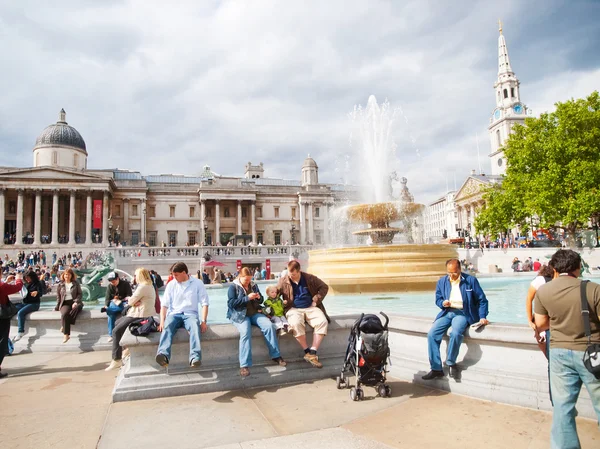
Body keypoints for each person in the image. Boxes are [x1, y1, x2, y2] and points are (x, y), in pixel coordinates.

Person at [534, 249, 600, 448]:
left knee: (563, 408)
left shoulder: (544, 291)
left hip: (559, 353)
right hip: (592, 353)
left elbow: (541, 323)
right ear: (578, 268)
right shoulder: (593, 289)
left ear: (554, 268)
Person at [422, 258, 489, 380]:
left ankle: (450, 362)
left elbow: (482, 300)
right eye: (449, 272)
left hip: (463, 313)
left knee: (456, 333)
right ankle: (436, 368)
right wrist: (443, 303)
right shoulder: (442, 281)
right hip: (447, 312)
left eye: (454, 272)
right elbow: (438, 299)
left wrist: (483, 316)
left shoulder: (470, 281)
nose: (451, 275)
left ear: (459, 269)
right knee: (432, 334)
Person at [227, 267, 286, 377]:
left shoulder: (253, 285)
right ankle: (244, 365)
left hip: (254, 313)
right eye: (246, 280)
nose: (248, 282)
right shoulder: (233, 287)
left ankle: (276, 355)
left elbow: (261, 300)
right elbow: (231, 304)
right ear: (240, 277)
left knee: (269, 326)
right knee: (245, 332)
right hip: (240, 315)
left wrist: (258, 297)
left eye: (250, 279)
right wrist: (246, 298)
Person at [277, 260, 330, 369]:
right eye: (289, 273)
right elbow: (275, 294)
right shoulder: (283, 281)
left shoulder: (309, 278)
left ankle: (313, 352)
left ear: (299, 271)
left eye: (294, 274)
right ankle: (307, 352)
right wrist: (279, 303)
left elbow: (324, 287)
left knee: (322, 321)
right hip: (293, 309)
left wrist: (316, 300)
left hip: (310, 307)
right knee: (295, 324)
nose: (291, 276)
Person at [156, 262, 209, 368]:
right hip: (174, 314)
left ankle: (195, 357)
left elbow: (205, 303)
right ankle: (163, 354)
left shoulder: (198, 283)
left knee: (195, 327)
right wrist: (162, 321)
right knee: (168, 326)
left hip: (191, 314)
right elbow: (164, 305)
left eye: (176, 275)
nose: (174, 277)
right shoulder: (171, 284)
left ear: (184, 272)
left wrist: (203, 321)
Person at [106, 268, 156, 371]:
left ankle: (116, 359)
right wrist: (134, 301)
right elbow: (133, 300)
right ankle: (127, 348)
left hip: (140, 315)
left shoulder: (142, 287)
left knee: (116, 331)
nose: (134, 277)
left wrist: (132, 301)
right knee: (117, 322)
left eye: (136, 275)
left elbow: (130, 301)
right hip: (140, 312)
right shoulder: (149, 285)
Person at [526, 264, 556, 356]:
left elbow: (529, 299)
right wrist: (530, 320)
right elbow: (529, 299)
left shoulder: (541, 280)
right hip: (546, 320)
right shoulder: (540, 280)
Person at [0, 273, 24, 378]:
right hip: (2, 317)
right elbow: (17, 287)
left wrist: (6, 282)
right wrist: (19, 279)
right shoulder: (1, 285)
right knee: (2, 342)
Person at [13, 270, 44, 342]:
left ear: (32, 277)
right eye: (25, 278)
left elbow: (41, 293)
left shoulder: (37, 283)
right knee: (12, 309)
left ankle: (21, 331)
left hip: (34, 304)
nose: (27, 279)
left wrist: (37, 292)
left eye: (28, 278)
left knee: (21, 313)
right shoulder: (25, 284)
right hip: (25, 303)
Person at [54, 268, 83, 343]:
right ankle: (66, 334)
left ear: (71, 275)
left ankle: (65, 329)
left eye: (69, 274)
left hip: (75, 302)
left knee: (77, 308)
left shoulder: (75, 283)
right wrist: (57, 307)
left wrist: (76, 302)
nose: (67, 276)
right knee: (64, 314)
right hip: (65, 303)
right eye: (66, 274)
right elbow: (58, 297)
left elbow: (80, 294)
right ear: (63, 275)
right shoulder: (60, 285)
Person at [102, 272, 133, 342]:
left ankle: (110, 310)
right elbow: (107, 298)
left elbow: (129, 295)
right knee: (111, 313)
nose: (112, 283)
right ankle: (111, 335)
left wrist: (121, 298)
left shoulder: (125, 284)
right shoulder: (110, 286)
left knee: (111, 311)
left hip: (124, 303)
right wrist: (106, 305)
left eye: (114, 281)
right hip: (114, 303)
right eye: (111, 282)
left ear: (118, 278)